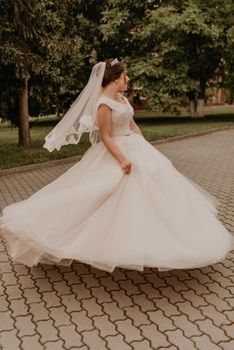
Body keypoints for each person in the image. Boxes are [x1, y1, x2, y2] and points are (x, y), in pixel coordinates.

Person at [0, 58, 234, 273]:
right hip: (116, 151)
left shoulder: (122, 99)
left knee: (155, 190)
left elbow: (132, 124)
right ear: (114, 78)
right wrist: (122, 159)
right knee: (99, 195)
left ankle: (155, 242)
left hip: (137, 147)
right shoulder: (103, 103)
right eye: (125, 76)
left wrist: (144, 146)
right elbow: (106, 137)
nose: (128, 79)